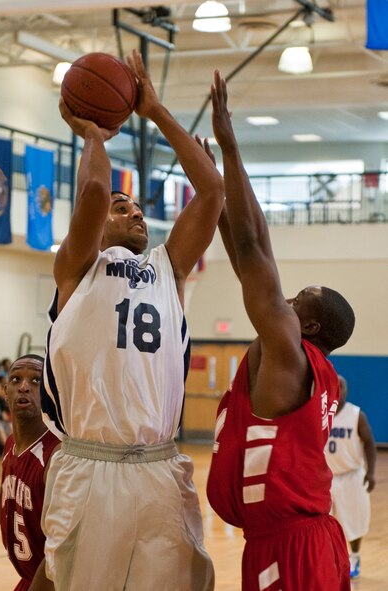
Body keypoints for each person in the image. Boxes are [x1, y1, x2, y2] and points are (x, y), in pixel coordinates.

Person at [40, 50, 224, 591]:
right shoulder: (77, 267)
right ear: (96, 228)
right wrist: (94, 136)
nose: (135, 211)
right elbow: (95, 191)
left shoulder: (169, 269)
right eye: (123, 208)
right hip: (91, 469)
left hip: (160, 469)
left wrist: (157, 111)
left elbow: (212, 191)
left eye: (139, 207)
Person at [205, 71, 355, 591]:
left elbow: (253, 248)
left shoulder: (289, 352)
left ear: (308, 324)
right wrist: (212, 193)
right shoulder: (313, 368)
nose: (284, 300)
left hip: (292, 544)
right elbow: (248, 252)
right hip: (296, 537)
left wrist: (229, 147)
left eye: (297, 300)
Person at [0, 354, 60, 591]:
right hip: (30, 579)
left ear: (50, 393)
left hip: (55, 582)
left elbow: (61, 548)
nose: (24, 387)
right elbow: (6, 494)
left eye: (35, 381)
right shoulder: (11, 443)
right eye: (16, 380)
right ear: (5, 391)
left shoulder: (57, 455)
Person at [325, 375, 376, 579]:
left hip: (351, 475)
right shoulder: (320, 412)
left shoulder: (356, 415)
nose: (341, 391)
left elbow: (370, 443)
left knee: (354, 521)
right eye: (337, 387)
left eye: (343, 388)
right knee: (321, 522)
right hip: (325, 477)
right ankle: (328, 559)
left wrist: (371, 472)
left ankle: (354, 555)